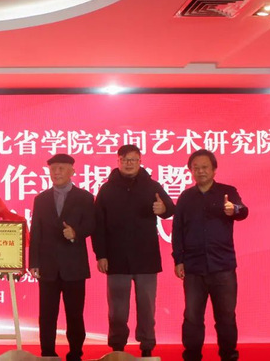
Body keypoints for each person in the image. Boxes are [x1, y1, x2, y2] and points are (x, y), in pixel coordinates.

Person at [92, 145, 175, 357]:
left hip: (146, 259)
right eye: (125, 159)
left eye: (133, 159)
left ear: (140, 161)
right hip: (116, 258)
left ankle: (147, 347)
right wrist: (101, 255)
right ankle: (117, 347)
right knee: (117, 310)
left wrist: (163, 209)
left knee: (147, 307)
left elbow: (170, 209)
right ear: (118, 161)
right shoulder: (107, 190)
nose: (129, 163)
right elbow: (98, 225)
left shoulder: (152, 186)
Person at [172, 149, 249, 361]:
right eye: (195, 168)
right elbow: (177, 230)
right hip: (194, 268)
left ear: (214, 169)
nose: (200, 171)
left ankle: (229, 355)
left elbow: (242, 211)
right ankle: (192, 356)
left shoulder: (227, 192)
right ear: (190, 171)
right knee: (192, 317)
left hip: (222, 267)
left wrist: (233, 209)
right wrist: (178, 259)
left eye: (205, 167)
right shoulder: (186, 197)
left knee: (226, 316)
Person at [29, 153, 95, 361]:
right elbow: (36, 231)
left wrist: (76, 233)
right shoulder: (41, 199)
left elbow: (92, 225)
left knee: (75, 314)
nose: (56, 173)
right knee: (47, 314)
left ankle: (75, 353)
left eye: (61, 168)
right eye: (53, 169)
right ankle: (47, 353)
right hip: (47, 266)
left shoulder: (85, 197)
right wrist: (34, 262)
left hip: (74, 266)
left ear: (72, 171)